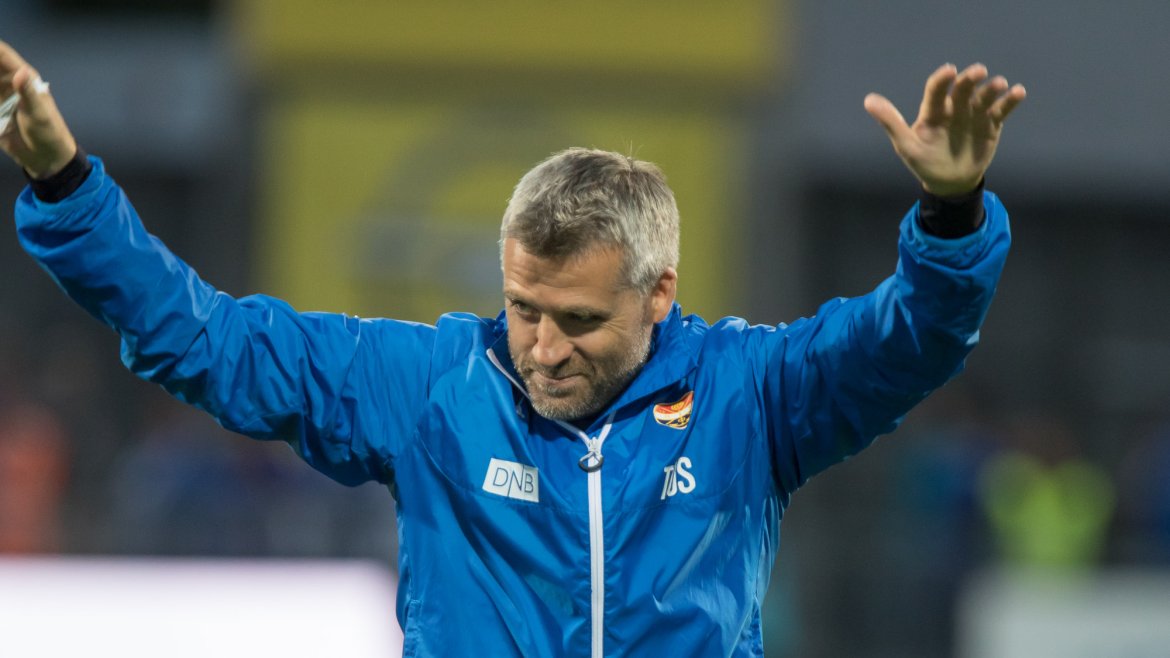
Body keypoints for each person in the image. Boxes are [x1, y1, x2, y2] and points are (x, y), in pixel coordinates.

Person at [2, 38, 1024, 656]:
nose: (542, 346)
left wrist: (950, 214)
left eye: (579, 320)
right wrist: (65, 185)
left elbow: (907, 341)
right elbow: (209, 341)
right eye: (524, 306)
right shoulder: (437, 385)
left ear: (660, 293)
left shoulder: (748, 394)